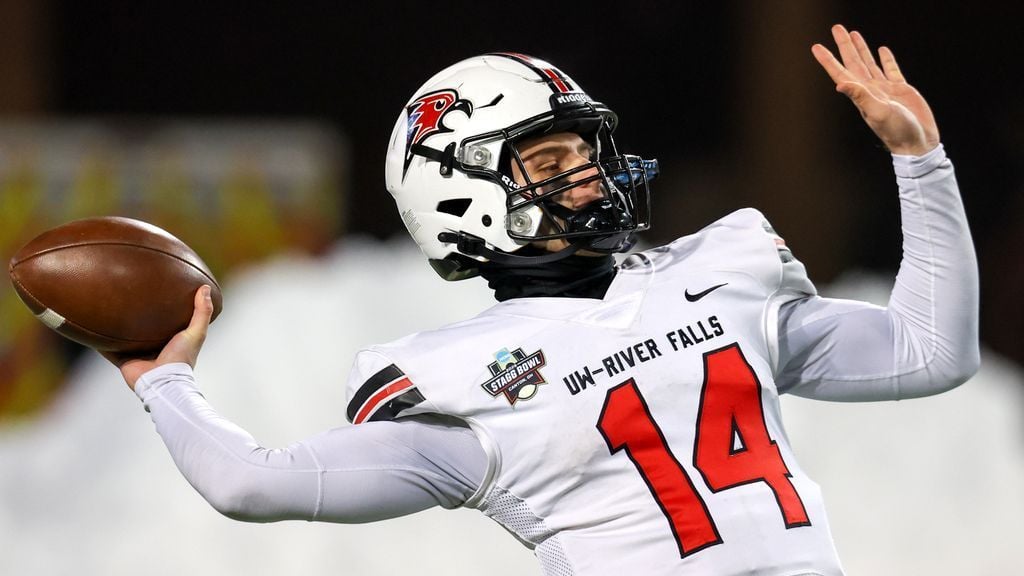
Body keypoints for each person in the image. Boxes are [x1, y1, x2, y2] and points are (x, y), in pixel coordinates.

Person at [109, 25, 978, 575]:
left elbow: (930, 351)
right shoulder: (466, 385)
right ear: (464, 199)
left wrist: (920, 160)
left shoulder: (716, 279)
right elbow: (253, 484)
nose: (591, 175)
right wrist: (163, 380)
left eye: (586, 153)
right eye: (553, 164)